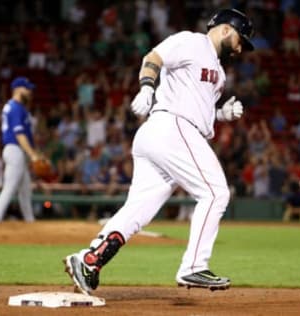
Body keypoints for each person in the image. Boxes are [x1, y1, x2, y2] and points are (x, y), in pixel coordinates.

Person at [64, 8, 253, 295]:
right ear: (226, 29)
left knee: (138, 211)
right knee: (216, 193)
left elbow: (199, 109)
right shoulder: (192, 42)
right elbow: (152, 58)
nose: (241, 48)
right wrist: (147, 88)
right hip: (171, 127)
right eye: (241, 39)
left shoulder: (220, 73)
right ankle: (193, 267)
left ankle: (89, 260)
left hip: (167, 134)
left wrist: (221, 113)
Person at [0, 77, 40, 223]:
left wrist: (32, 153)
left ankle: (30, 221)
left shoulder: (15, 107)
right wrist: (32, 154)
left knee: (25, 190)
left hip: (17, 151)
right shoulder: (16, 107)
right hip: (15, 149)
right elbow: (19, 134)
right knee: (10, 188)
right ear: (18, 89)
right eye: (27, 88)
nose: (30, 92)